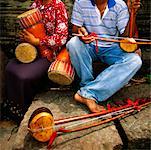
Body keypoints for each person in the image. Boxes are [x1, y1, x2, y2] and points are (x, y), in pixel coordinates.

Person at [66, 0, 142, 113]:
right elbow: (75, 29)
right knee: (73, 43)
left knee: (135, 60)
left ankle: (88, 93)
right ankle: (88, 87)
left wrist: (132, 13)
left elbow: (126, 36)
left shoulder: (119, 5)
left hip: (112, 47)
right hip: (89, 45)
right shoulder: (81, 2)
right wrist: (81, 32)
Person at [3, 0, 68, 123]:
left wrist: (38, 41)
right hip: (33, 50)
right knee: (10, 68)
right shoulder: (35, 5)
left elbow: (61, 38)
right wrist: (25, 37)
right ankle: (14, 107)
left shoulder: (58, 5)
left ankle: (23, 109)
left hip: (50, 54)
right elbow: (28, 29)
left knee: (23, 75)